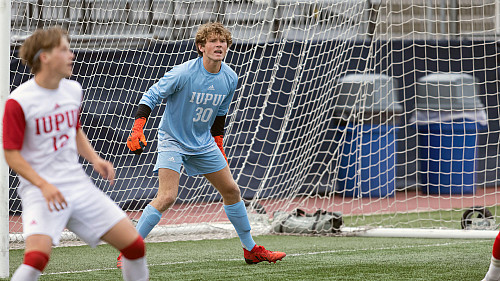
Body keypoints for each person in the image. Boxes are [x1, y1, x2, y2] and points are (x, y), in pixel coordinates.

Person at [119, 22, 286, 267]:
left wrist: (218, 144)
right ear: (201, 46)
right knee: (167, 196)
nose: (219, 45)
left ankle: (251, 250)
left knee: (232, 191)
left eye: (223, 41)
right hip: (172, 139)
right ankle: (129, 250)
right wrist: (137, 127)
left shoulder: (230, 77)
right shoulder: (183, 73)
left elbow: (220, 115)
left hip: (204, 143)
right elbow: (150, 96)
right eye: (213, 41)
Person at [3, 27, 149, 281]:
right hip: (41, 192)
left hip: (77, 185)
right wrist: (43, 185)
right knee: (36, 259)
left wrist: (94, 159)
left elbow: (75, 129)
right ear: (44, 57)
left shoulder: (73, 90)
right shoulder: (19, 101)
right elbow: (11, 155)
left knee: (134, 246)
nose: (72, 55)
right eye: (64, 49)